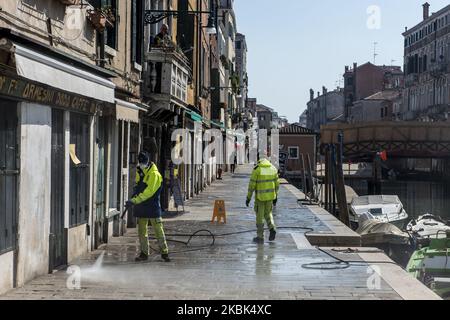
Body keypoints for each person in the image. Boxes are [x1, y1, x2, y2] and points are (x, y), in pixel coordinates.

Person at [126, 151, 170, 262]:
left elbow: (149, 192)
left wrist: (135, 200)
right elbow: (137, 184)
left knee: (158, 229)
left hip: (152, 205)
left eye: (143, 162)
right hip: (142, 205)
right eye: (140, 162)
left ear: (148, 161)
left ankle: (164, 252)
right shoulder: (139, 170)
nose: (141, 164)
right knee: (142, 231)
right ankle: (144, 253)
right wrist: (133, 195)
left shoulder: (154, 174)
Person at [246, 157, 280, 244]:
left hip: (260, 198)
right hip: (270, 197)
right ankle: (272, 228)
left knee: (259, 216)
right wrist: (276, 196)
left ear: (259, 161)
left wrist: (248, 198)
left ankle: (260, 236)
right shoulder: (273, 169)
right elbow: (277, 184)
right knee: (268, 213)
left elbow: (251, 186)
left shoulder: (257, 169)